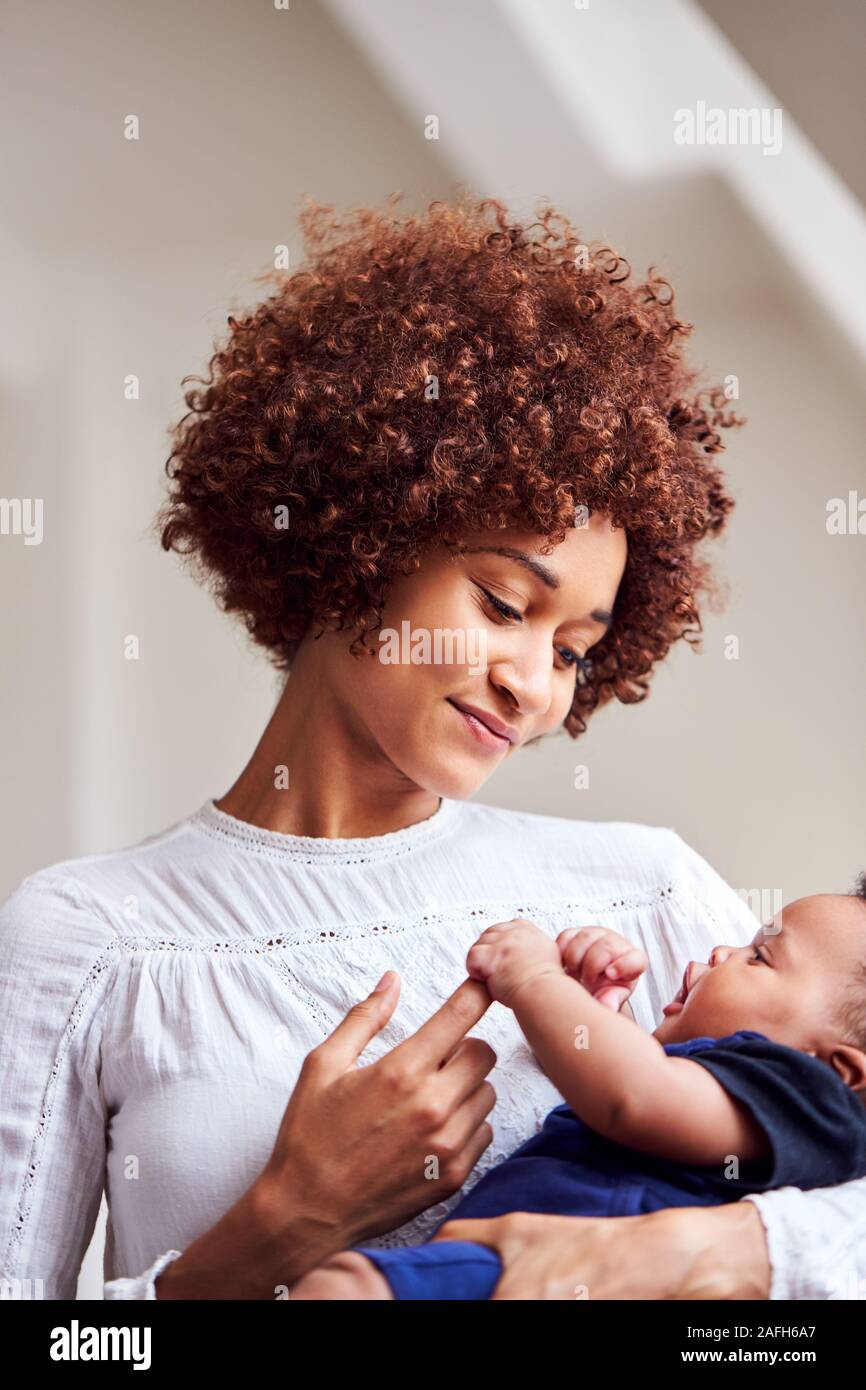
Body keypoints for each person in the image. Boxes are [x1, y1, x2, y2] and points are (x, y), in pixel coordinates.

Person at [3, 197, 861, 1301]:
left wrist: (691, 1252)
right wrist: (271, 1230)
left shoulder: (648, 899)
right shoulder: (88, 943)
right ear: (356, 530)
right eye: (503, 601)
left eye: (574, 650)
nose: (533, 685)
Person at [291, 889, 866, 1298]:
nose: (721, 953)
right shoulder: (723, 1089)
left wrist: (535, 981)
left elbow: (634, 1099)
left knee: (345, 1288)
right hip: (522, 1263)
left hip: (560, 1265)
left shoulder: (810, 1096)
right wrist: (595, 1017)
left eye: (759, 956)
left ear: (842, 1069)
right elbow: (628, 1085)